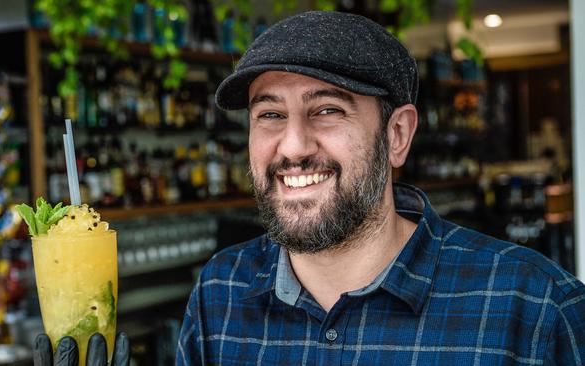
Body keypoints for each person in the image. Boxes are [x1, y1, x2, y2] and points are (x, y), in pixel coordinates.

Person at [176, 10, 585, 365]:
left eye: (328, 110)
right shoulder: (220, 292)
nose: (294, 146)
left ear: (397, 135)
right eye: (270, 114)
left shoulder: (535, 306)